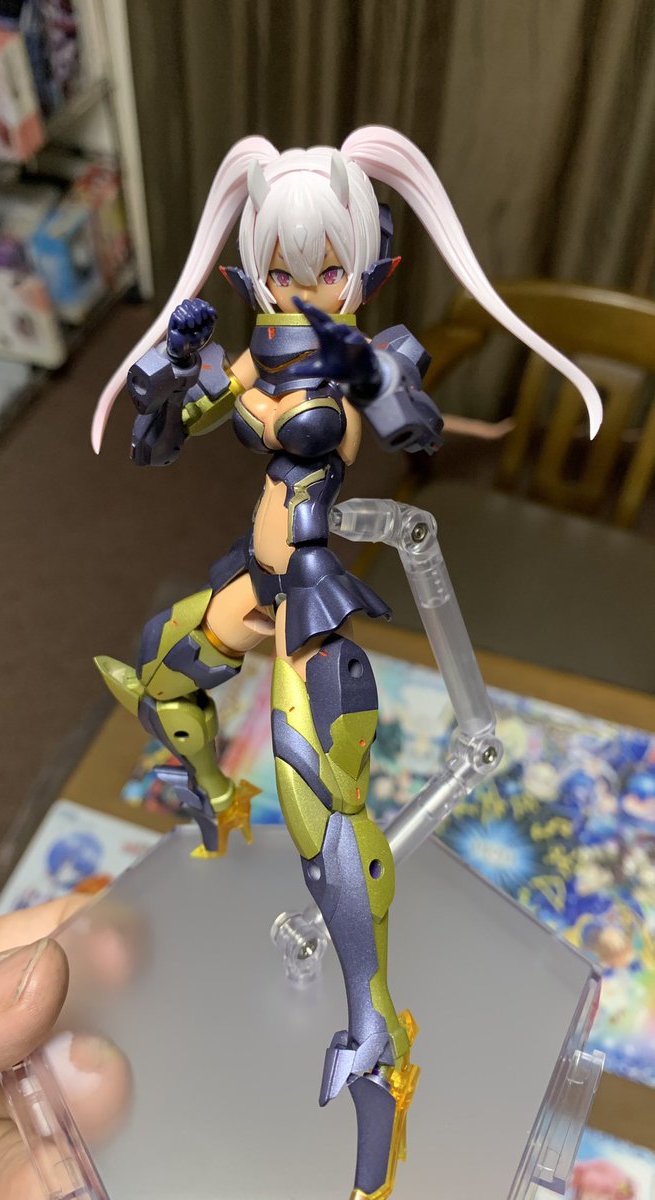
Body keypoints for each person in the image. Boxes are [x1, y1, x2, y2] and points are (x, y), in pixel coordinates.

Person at [91, 126, 602, 1200]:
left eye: (326, 269)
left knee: (323, 807)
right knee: (157, 673)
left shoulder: (360, 353)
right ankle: (213, 802)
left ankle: (377, 1032)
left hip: (313, 602)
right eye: (282, 272)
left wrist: (377, 375)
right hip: (255, 578)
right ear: (256, 273)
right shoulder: (263, 349)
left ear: (365, 269)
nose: (302, 289)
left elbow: (405, 427)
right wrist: (167, 376)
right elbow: (170, 435)